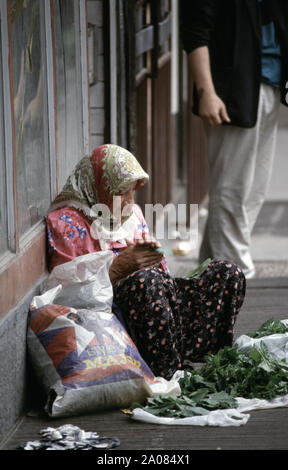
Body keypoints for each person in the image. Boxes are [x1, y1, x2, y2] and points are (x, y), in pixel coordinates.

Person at [46, 144, 246, 380]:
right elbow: (67, 298)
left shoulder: (132, 214)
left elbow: (162, 279)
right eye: (122, 193)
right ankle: (168, 371)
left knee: (226, 273)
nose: (129, 202)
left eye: (133, 192)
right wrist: (119, 268)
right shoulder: (66, 222)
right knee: (145, 282)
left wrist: (154, 257)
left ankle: (205, 357)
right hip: (115, 328)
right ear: (97, 187)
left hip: (159, 324)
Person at [180, 0, 288, 278]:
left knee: (253, 191)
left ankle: (207, 275)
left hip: (269, 86)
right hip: (230, 93)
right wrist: (206, 92)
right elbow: (195, 31)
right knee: (232, 191)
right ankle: (236, 275)